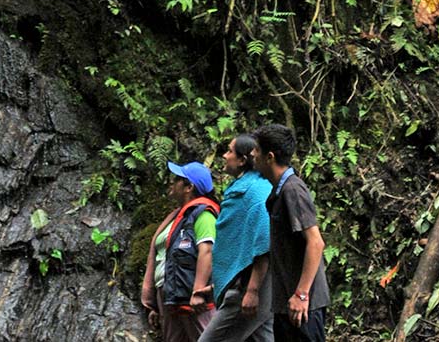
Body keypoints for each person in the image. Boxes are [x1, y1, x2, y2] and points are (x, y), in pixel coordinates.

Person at [253, 125, 329, 342]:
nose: (252, 154)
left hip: (303, 305)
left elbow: (315, 243)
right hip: (288, 303)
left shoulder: (292, 190)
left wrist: (302, 294)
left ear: (269, 157)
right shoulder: (279, 191)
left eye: (256, 150)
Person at [196, 134, 274, 342]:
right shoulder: (239, 191)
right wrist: (219, 286)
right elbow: (238, 243)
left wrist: (252, 291)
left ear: (242, 160)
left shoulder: (256, 192)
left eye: (229, 151)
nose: (224, 155)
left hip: (251, 289)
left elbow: (263, 244)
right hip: (246, 287)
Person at [141, 161, 220, 341]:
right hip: (172, 294)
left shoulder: (203, 214)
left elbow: (206, 251)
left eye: (177, 179)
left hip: (191, 294)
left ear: (188, 187)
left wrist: (199, 290)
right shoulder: (178, 216)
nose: (171, 183)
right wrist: (155, 303)